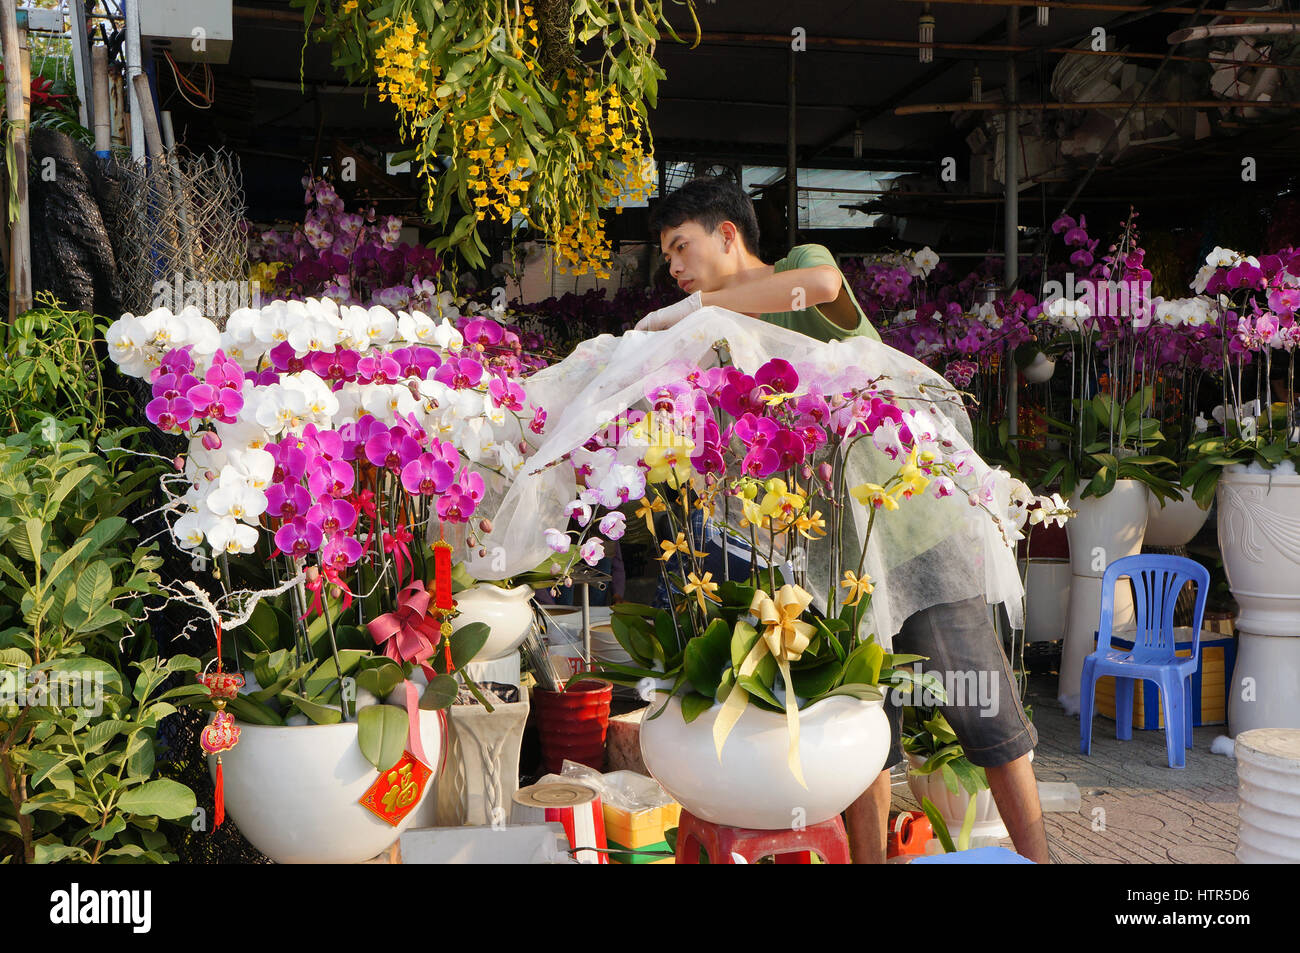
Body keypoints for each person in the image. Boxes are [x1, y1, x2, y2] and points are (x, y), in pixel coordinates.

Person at [638, 176, 1050, 864]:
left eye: (681, 247)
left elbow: (826, 284)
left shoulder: (797, 269)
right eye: (670, 256)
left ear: (729, 235)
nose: (674, 268)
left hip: (915, 537)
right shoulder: (722, 337)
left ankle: (1043, 859)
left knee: (986, 714)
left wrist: (695, 310)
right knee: (859, 729)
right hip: (834, 559)